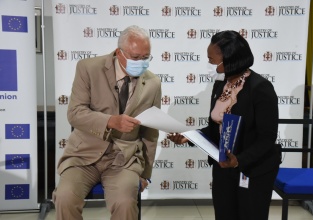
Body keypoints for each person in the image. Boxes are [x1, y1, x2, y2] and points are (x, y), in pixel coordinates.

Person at [168, 30, 281, 220]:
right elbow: (215, 128)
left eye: (212, 60)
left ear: (230, 58)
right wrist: (189, 136)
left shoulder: (260, 88)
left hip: (252, 169)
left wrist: (239, 160)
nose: (210, 65)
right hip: (223, 166)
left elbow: (267, 138)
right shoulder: (220, 85)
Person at [52, 25, 162, 220]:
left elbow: (151, 132)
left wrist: (145, 174)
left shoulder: (153, 83)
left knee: (125, 203)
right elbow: (75, 113)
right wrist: (110, 121)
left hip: (124, 159)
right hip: (84, 155)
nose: (142, 63)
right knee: (64, 198)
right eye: (136, 58)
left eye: (146, 57)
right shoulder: (88, 68)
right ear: (119, 53)